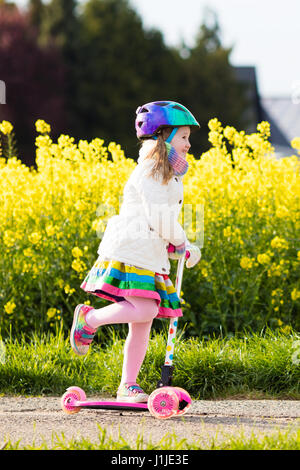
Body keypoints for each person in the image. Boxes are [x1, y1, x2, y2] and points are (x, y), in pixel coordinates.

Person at [70, 101, 202, 403]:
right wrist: (181, 241)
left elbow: (159, 223)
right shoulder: (151, 170)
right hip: (131, 251)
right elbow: (159, 216)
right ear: (163, 137)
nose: (188, 144)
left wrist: (177, 246)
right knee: (146, 309)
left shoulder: (167, 173)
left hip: (146, 253)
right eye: (183, 136)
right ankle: (88, 320)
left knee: (141, 324)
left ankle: (127, 386)